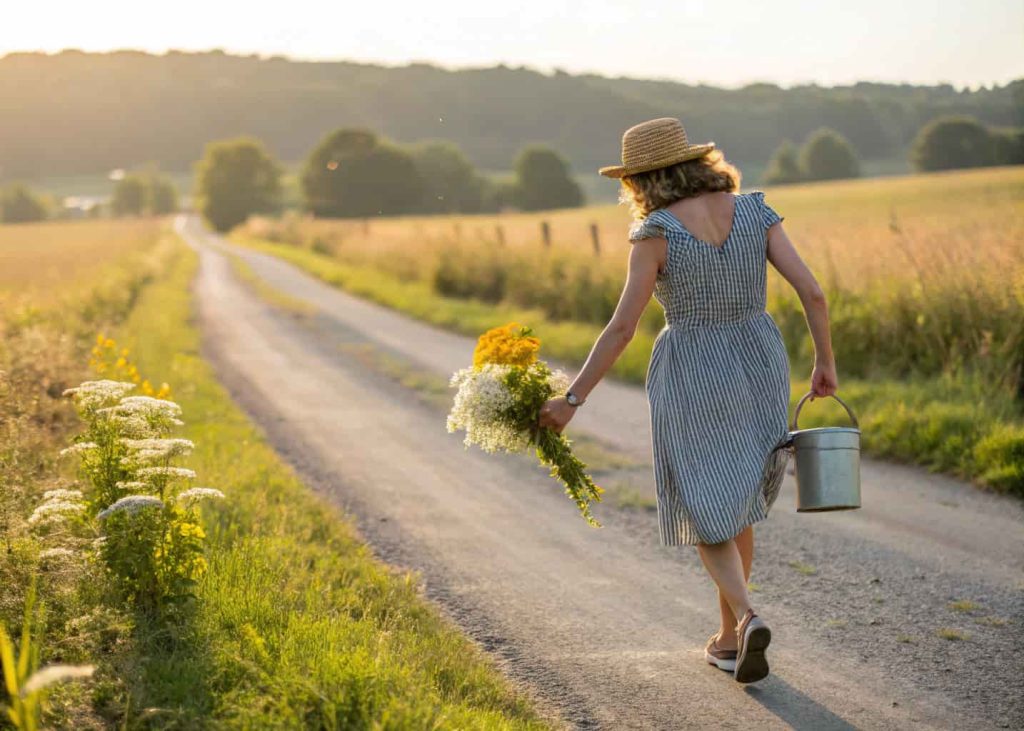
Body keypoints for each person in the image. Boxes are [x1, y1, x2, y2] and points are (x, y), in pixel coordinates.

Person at [538, 117, 837, 683]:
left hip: (693, 369)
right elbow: (813, 292)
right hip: (760, 360)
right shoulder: (755, 211)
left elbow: (622, 329)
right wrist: (825, 363)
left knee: (706, 503)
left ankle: (746, 618)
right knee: (737, 497)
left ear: (642, 179)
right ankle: (728, 640)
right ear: (697, 162)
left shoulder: (656, 232)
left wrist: (571, 399)